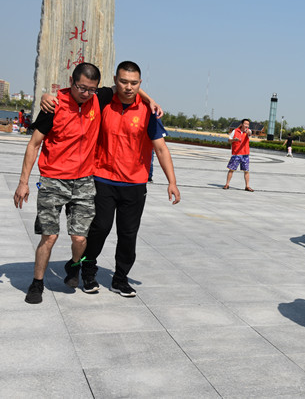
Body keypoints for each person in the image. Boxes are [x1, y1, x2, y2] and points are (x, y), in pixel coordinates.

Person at [76, 61, 180, 297]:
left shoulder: (148, 111)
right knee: (99, 228)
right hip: (103, 178)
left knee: (128, 234)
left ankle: (120, 279)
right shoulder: (102, 102)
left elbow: (161, 148)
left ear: (140, 83)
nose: (128, 87)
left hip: (134, 183)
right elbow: (76, 96)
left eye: (134, 83)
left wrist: (172, 182)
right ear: (115, 80)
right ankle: (88, 271)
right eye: (123, 81)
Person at [13, 63, 103, 304]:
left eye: (92, 89)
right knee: (49, 236)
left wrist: (151, 102)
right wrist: (23, 182)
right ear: (71, 82)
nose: (86, 93)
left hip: (84, 181)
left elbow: (126, 86)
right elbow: (34, 144)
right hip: (53, 180)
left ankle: (73, 265)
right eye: (81, 88)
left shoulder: (98, 99)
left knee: (80, 238)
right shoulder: (53, 106)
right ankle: (37, 283)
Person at [223, 119, 253, 191]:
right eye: (245, 124)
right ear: (242, 124)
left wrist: (247, 132)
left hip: (245, 154)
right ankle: (227, 184)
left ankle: (247, 186)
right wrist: (234, 140)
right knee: (231, 169)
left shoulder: (248, 131)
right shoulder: (235, 131)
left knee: (246, 170)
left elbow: (249, 133)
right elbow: (229, 140)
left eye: (248, 124)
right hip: (236, 154)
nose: (247, 125)